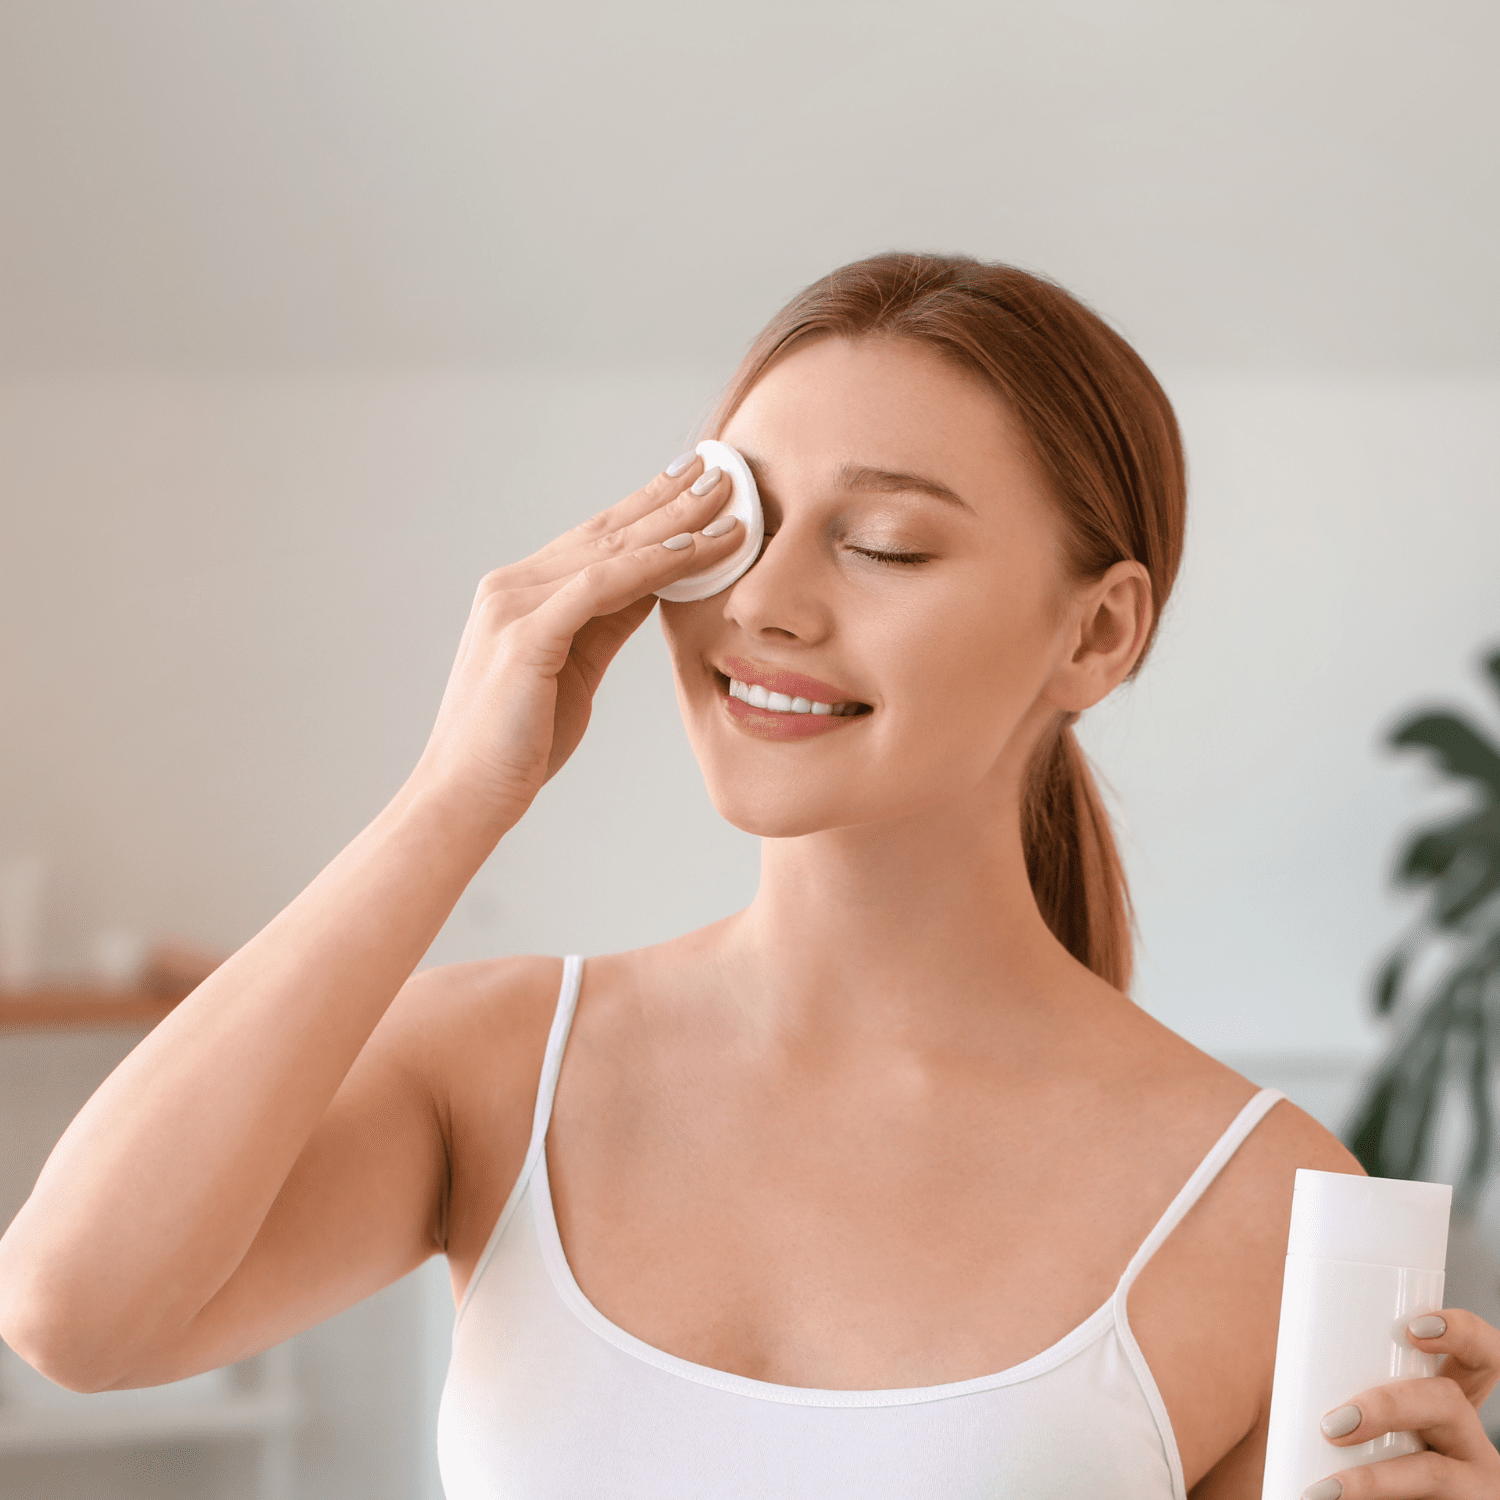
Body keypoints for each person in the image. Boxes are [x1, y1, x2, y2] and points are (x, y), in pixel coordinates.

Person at [1, 254, 1496, 1500]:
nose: (765, 603)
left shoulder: (1263, 1201)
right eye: (740, 524)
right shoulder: (501, 1066)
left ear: (1097, 635)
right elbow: (75, 1314)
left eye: (887, 546)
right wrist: (462, 790)